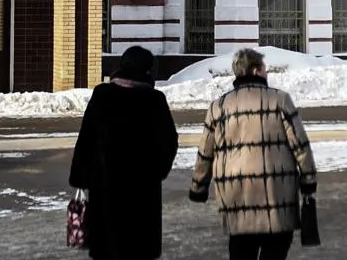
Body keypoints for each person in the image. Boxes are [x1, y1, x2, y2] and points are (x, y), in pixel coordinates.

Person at [188, 48, 318, 260]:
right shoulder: (280, 100)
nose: (267, 73)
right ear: (256, 71)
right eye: (265, 69)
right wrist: (308, 181)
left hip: (236, 195)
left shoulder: (218, 107)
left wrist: (198, 187)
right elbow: (300, 145)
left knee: (241, 251)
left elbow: (205, 152)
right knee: (275, 250)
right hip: (277, 195)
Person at [68, 46, 180, 260]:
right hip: (143, 192)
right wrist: (156, 172)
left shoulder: (102, 95)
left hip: (105, 188)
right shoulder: (154, 100)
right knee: (138, 248)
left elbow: (86, 138)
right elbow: (169, 142)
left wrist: (81, 177)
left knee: (107, 246)